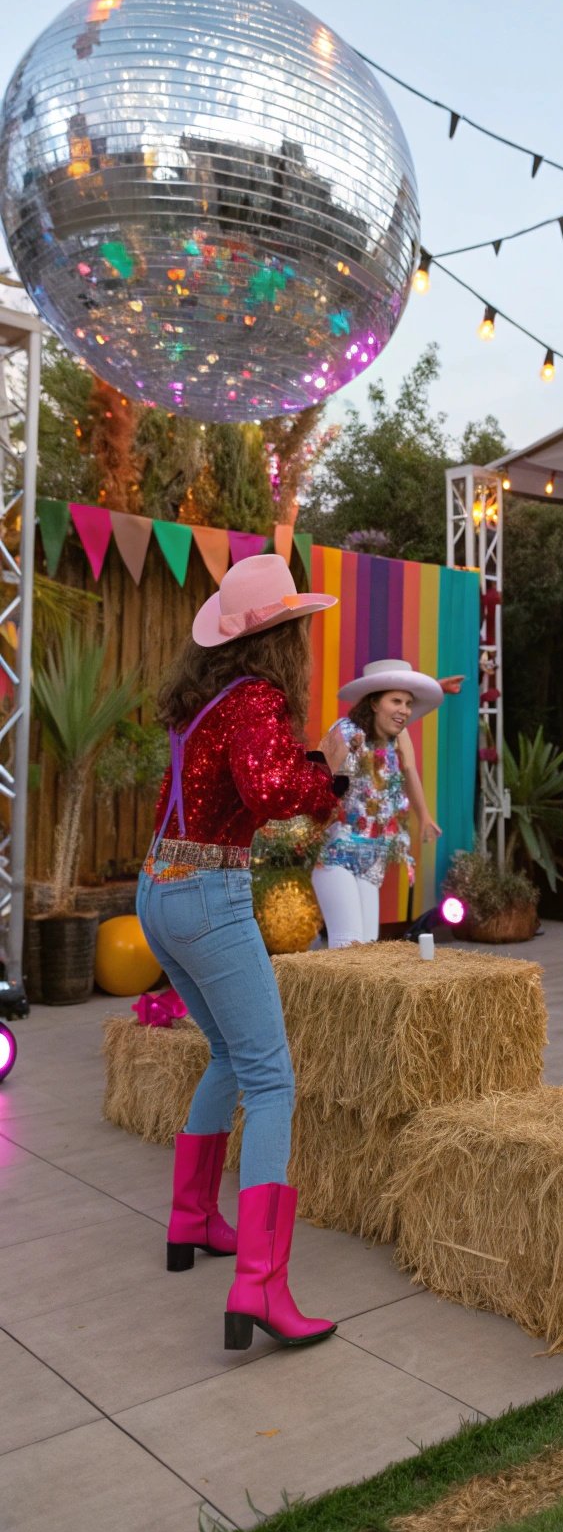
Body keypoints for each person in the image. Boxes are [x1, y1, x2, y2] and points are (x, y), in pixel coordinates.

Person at [137, 554, 351, 1352]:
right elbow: (274, 799)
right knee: (271, 1080)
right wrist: (326, 770)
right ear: (281, 638)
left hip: (158, 889)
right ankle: (260, 1286)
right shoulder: (256, 700)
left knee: (229, 1054)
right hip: (207, 895)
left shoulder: (200, 702)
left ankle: (192, 1217)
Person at [311, 658, 462, 948]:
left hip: (373, 860)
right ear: (373, 703)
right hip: (336, 857)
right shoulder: (346, 731)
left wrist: (425, 816)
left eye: (408, 703)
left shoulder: (395, 739)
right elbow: (314, 774)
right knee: (347, 946)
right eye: (396, 700)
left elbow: (409, 772)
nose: (405, 710)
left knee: (369, 948)